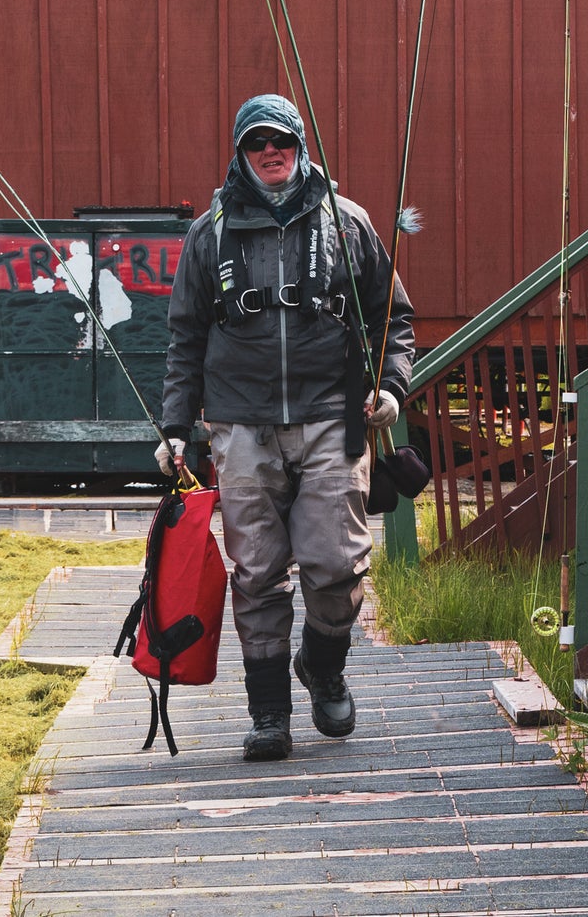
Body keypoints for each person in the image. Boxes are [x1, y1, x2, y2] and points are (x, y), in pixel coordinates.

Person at [158, 93, 414, 761]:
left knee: (336, 564)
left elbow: (394, 319)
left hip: (333, 416)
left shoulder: (348, 222)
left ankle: (323, 666)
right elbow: (184, 339)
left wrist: (391, 387)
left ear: (301, 146)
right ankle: (269, 713)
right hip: (238, 424)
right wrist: (175, 428)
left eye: (282, 141)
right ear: (239, 153)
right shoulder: (208, 233)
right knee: (257, 573)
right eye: (257, 142)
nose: (270, 152)